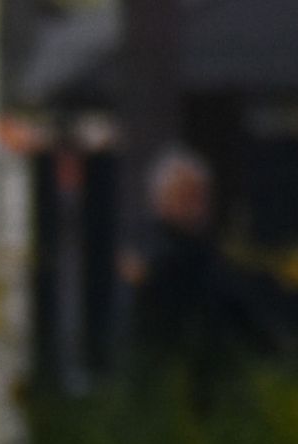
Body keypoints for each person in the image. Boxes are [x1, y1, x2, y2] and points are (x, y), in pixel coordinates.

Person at [124, 147, 293, 393]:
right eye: (185, 197)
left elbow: (240, 314)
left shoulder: (208, 253)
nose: (196, 206)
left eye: (201, 196)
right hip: (169, 384)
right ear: (161, 201)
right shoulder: (154, 253)